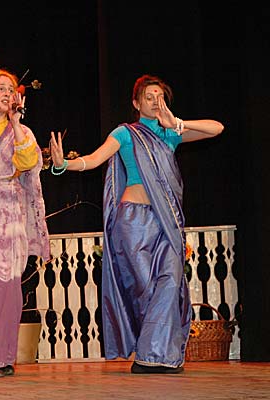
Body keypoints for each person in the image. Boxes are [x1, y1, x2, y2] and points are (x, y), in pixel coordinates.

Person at [49, 74, 224, 373]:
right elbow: (93, 159)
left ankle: (156, 356)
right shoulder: (125, 133)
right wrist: (63, 164)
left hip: (166, 221)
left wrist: (176, 123)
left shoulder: (171, 134)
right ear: (136, 103)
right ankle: (150, 354)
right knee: (145, 288)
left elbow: (216, 128)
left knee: (170, 282)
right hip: (133, 221)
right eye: (149, 97)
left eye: (160, 97)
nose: (155, 102)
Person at [0, 69, 49, 377]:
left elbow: (28, 162)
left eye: (10, 89)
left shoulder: (21, 131)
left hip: (8, 213)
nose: (6, 93)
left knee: (6, 285)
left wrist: (15, 123)